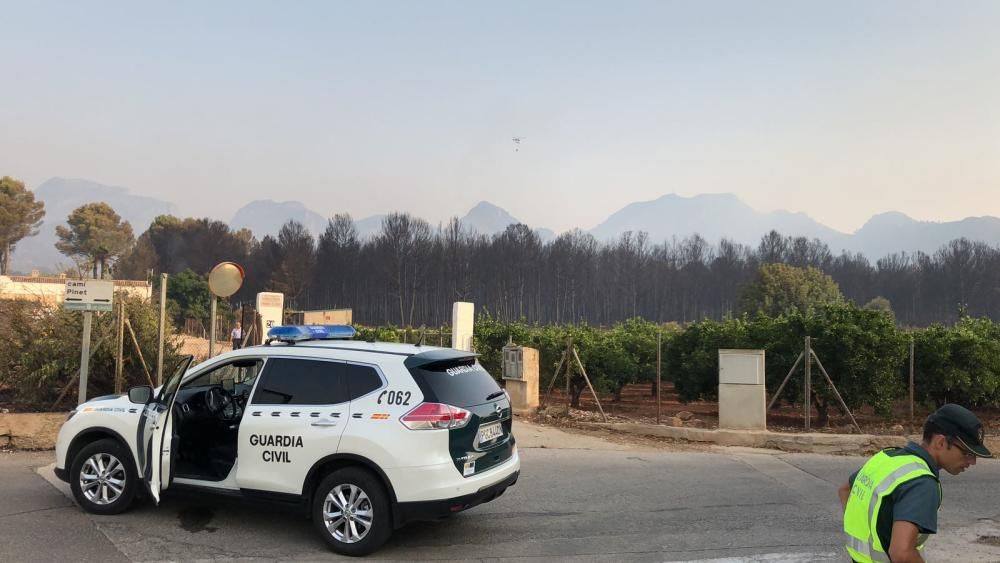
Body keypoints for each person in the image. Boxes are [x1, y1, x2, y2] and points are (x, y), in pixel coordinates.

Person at [839, 404, 992, 562]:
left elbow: (845, 490)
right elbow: (902, 553)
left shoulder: (887, 457)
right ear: (940, 442)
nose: (972, 461)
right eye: (967, 453)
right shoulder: (922, 483)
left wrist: (862, 528)